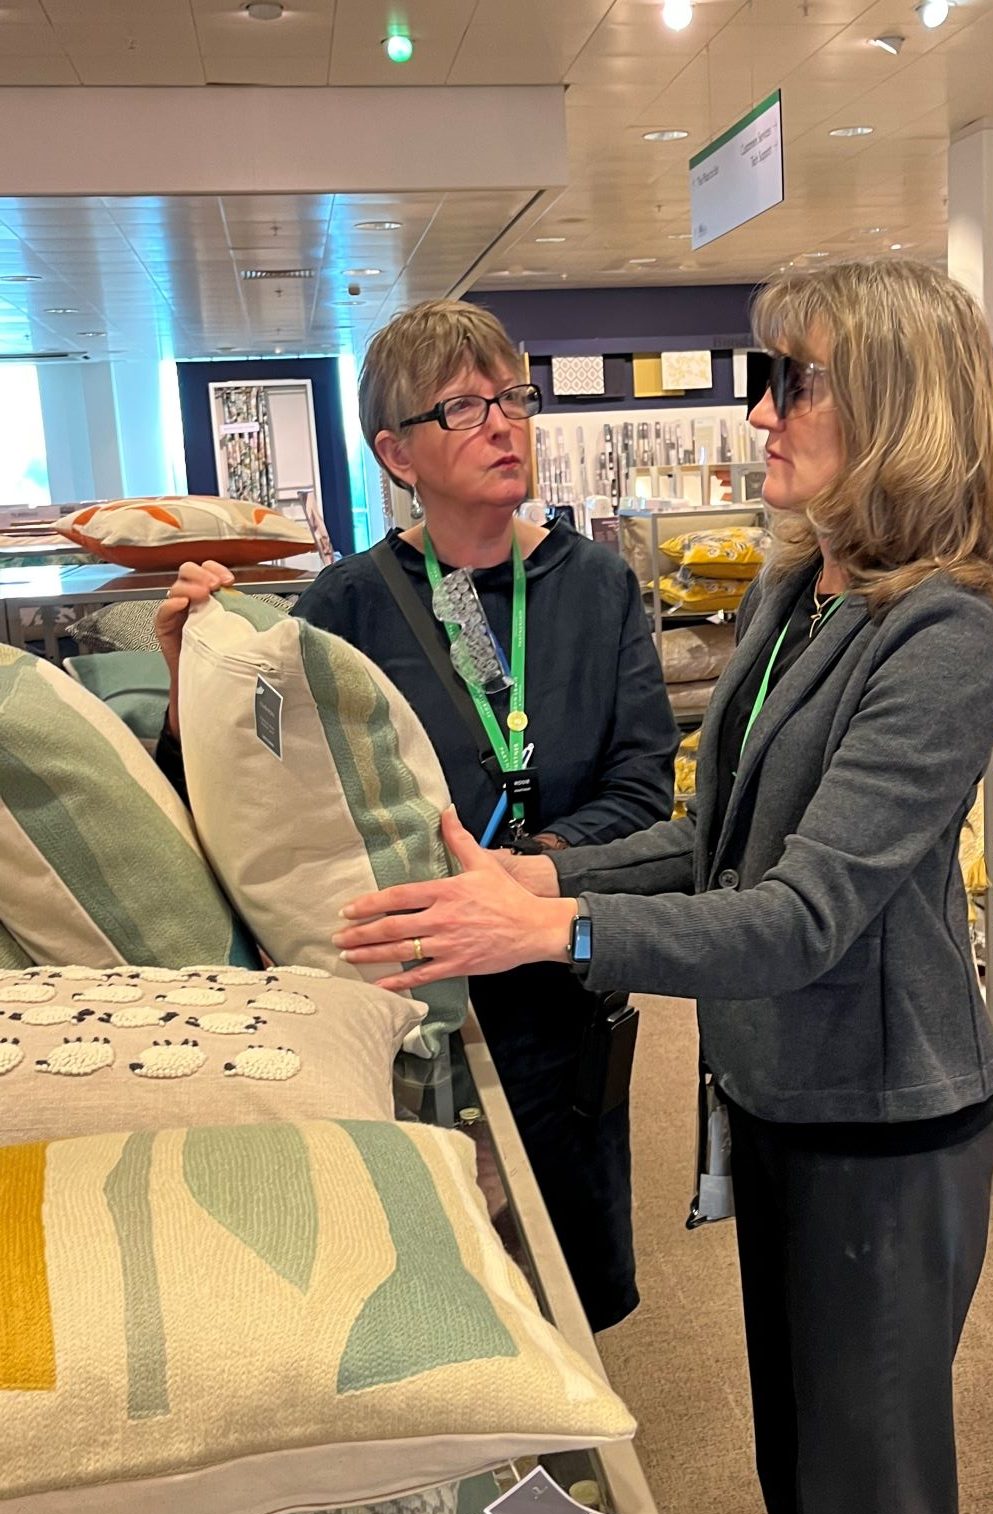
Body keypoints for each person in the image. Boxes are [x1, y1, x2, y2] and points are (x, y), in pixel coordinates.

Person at [331, 258, 993, 1514]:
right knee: (799, 1471)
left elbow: (798, 915)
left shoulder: (942, 633)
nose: (759, 410)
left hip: (883, 1128)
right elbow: (710, 837)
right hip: (778, 1104)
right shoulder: (800, 593)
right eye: (761, 374)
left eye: (795, 379)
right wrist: (546, 873)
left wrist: (559, 928)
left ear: (893, 407)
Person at [155, 298, 678, 1338]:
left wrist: (531, 872)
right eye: (464, 406)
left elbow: (642, 787)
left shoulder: (600, 584)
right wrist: (189, 674)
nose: (503, 423)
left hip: (553, 978)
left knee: (562, 1278)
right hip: (403, 993)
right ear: (395, 451)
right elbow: (259, 789)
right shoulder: (346, 603)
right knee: (431, 1278)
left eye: (513, 397)